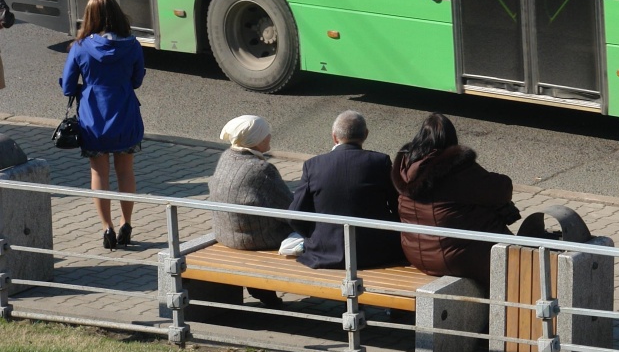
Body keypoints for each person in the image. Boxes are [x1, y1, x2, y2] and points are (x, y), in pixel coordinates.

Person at [59, 0, 144, 251]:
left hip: (93, 118)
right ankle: (126, 223)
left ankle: (106, 227)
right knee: (126, 171)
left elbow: (67, 86)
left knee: (99, 173)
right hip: (125, 114)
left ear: (89, 18)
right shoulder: (133, 45)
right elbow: (137, 79)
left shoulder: (81, 47)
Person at [391, 113, 516, 287]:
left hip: (415, 254)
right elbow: (501, 190)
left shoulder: (405, 166)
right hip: (455, 258)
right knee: (515, 256)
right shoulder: (457, 169)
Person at [288, 111, 404, 270]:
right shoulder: (379, 162)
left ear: (334, 137)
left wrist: (314, 234)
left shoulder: (313, 165)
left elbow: (295, 214)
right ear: (366, 135)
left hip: (324, 253)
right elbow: (397, 206)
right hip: (376, 253)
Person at [209, 114, 294, 309]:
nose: (270, 136)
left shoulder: (227, 157)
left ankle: (264, 292)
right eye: (266, 134)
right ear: (256, 141)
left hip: (225, 233)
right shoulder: (261, 169)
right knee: (306, 230)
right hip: (251, 238)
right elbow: (288, 208)